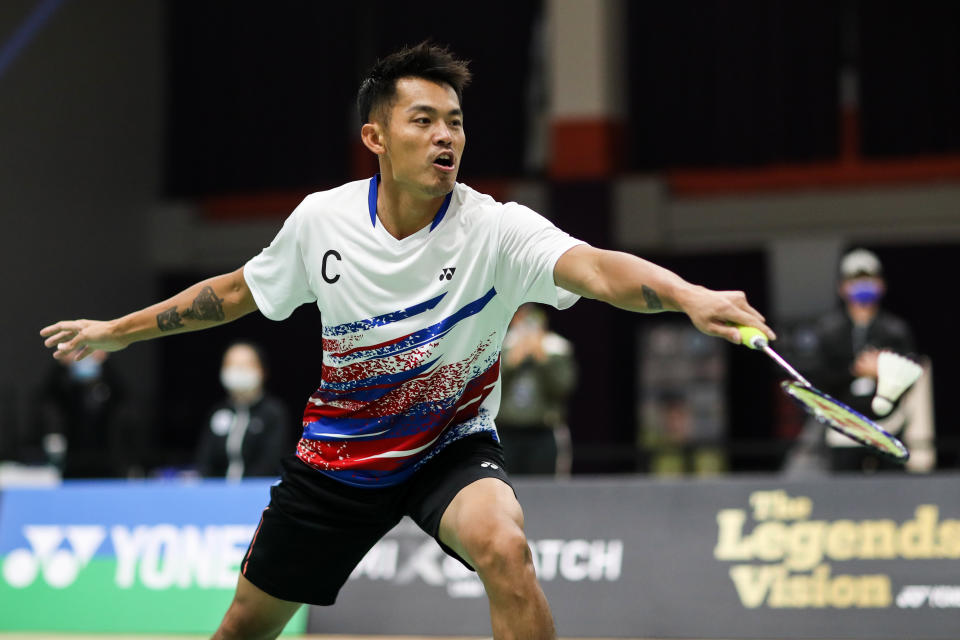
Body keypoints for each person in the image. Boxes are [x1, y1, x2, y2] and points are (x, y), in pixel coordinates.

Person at [40, 43, 773, 640]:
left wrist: (688, 295)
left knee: (506, 549)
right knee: (244, 627)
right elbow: (230, 293)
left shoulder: (495, 228)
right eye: (423, 120)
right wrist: (118, 331)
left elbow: (597, 268)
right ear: (376, 137)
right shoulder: (321, 223)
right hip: (337, 459)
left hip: (447, 446)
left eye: (454, 121)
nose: (445, 135)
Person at [795, 248, 917, 473]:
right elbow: (818, 377)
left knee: (892, 493)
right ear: (842, 287)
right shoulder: (828, 331)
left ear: (881, 285)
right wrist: (855, 370)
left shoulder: (895, 330)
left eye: (869, 280)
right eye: (855, 281)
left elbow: (911, 374)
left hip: (888, 426)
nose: (863, 287)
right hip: (844, 428)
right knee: (845, 495)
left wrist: (882, 370)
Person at [33, 349, 138, 478]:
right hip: (73, 458)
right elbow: (48, 394)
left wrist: (105, 362)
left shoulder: (107, 386)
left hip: (107, 458)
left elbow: (123, 394)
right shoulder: (68, 388)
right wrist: (61, 366)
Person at [498, 304, 576, 475]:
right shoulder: (499, 346)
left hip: (543, 431)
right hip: (505, 430)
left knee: (546, 488)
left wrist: (543, 359)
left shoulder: (556, 348)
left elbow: (563, 387)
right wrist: (511, 362)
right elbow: (485, 389)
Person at [196, 341, 291, 480]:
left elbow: (271, 462)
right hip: (216, 493)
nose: (238, 370)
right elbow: (204, 462)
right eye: (231, 365)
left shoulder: (274, 413)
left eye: (246, 364)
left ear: (262, 370)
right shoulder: (218, 412)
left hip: (258, 492)